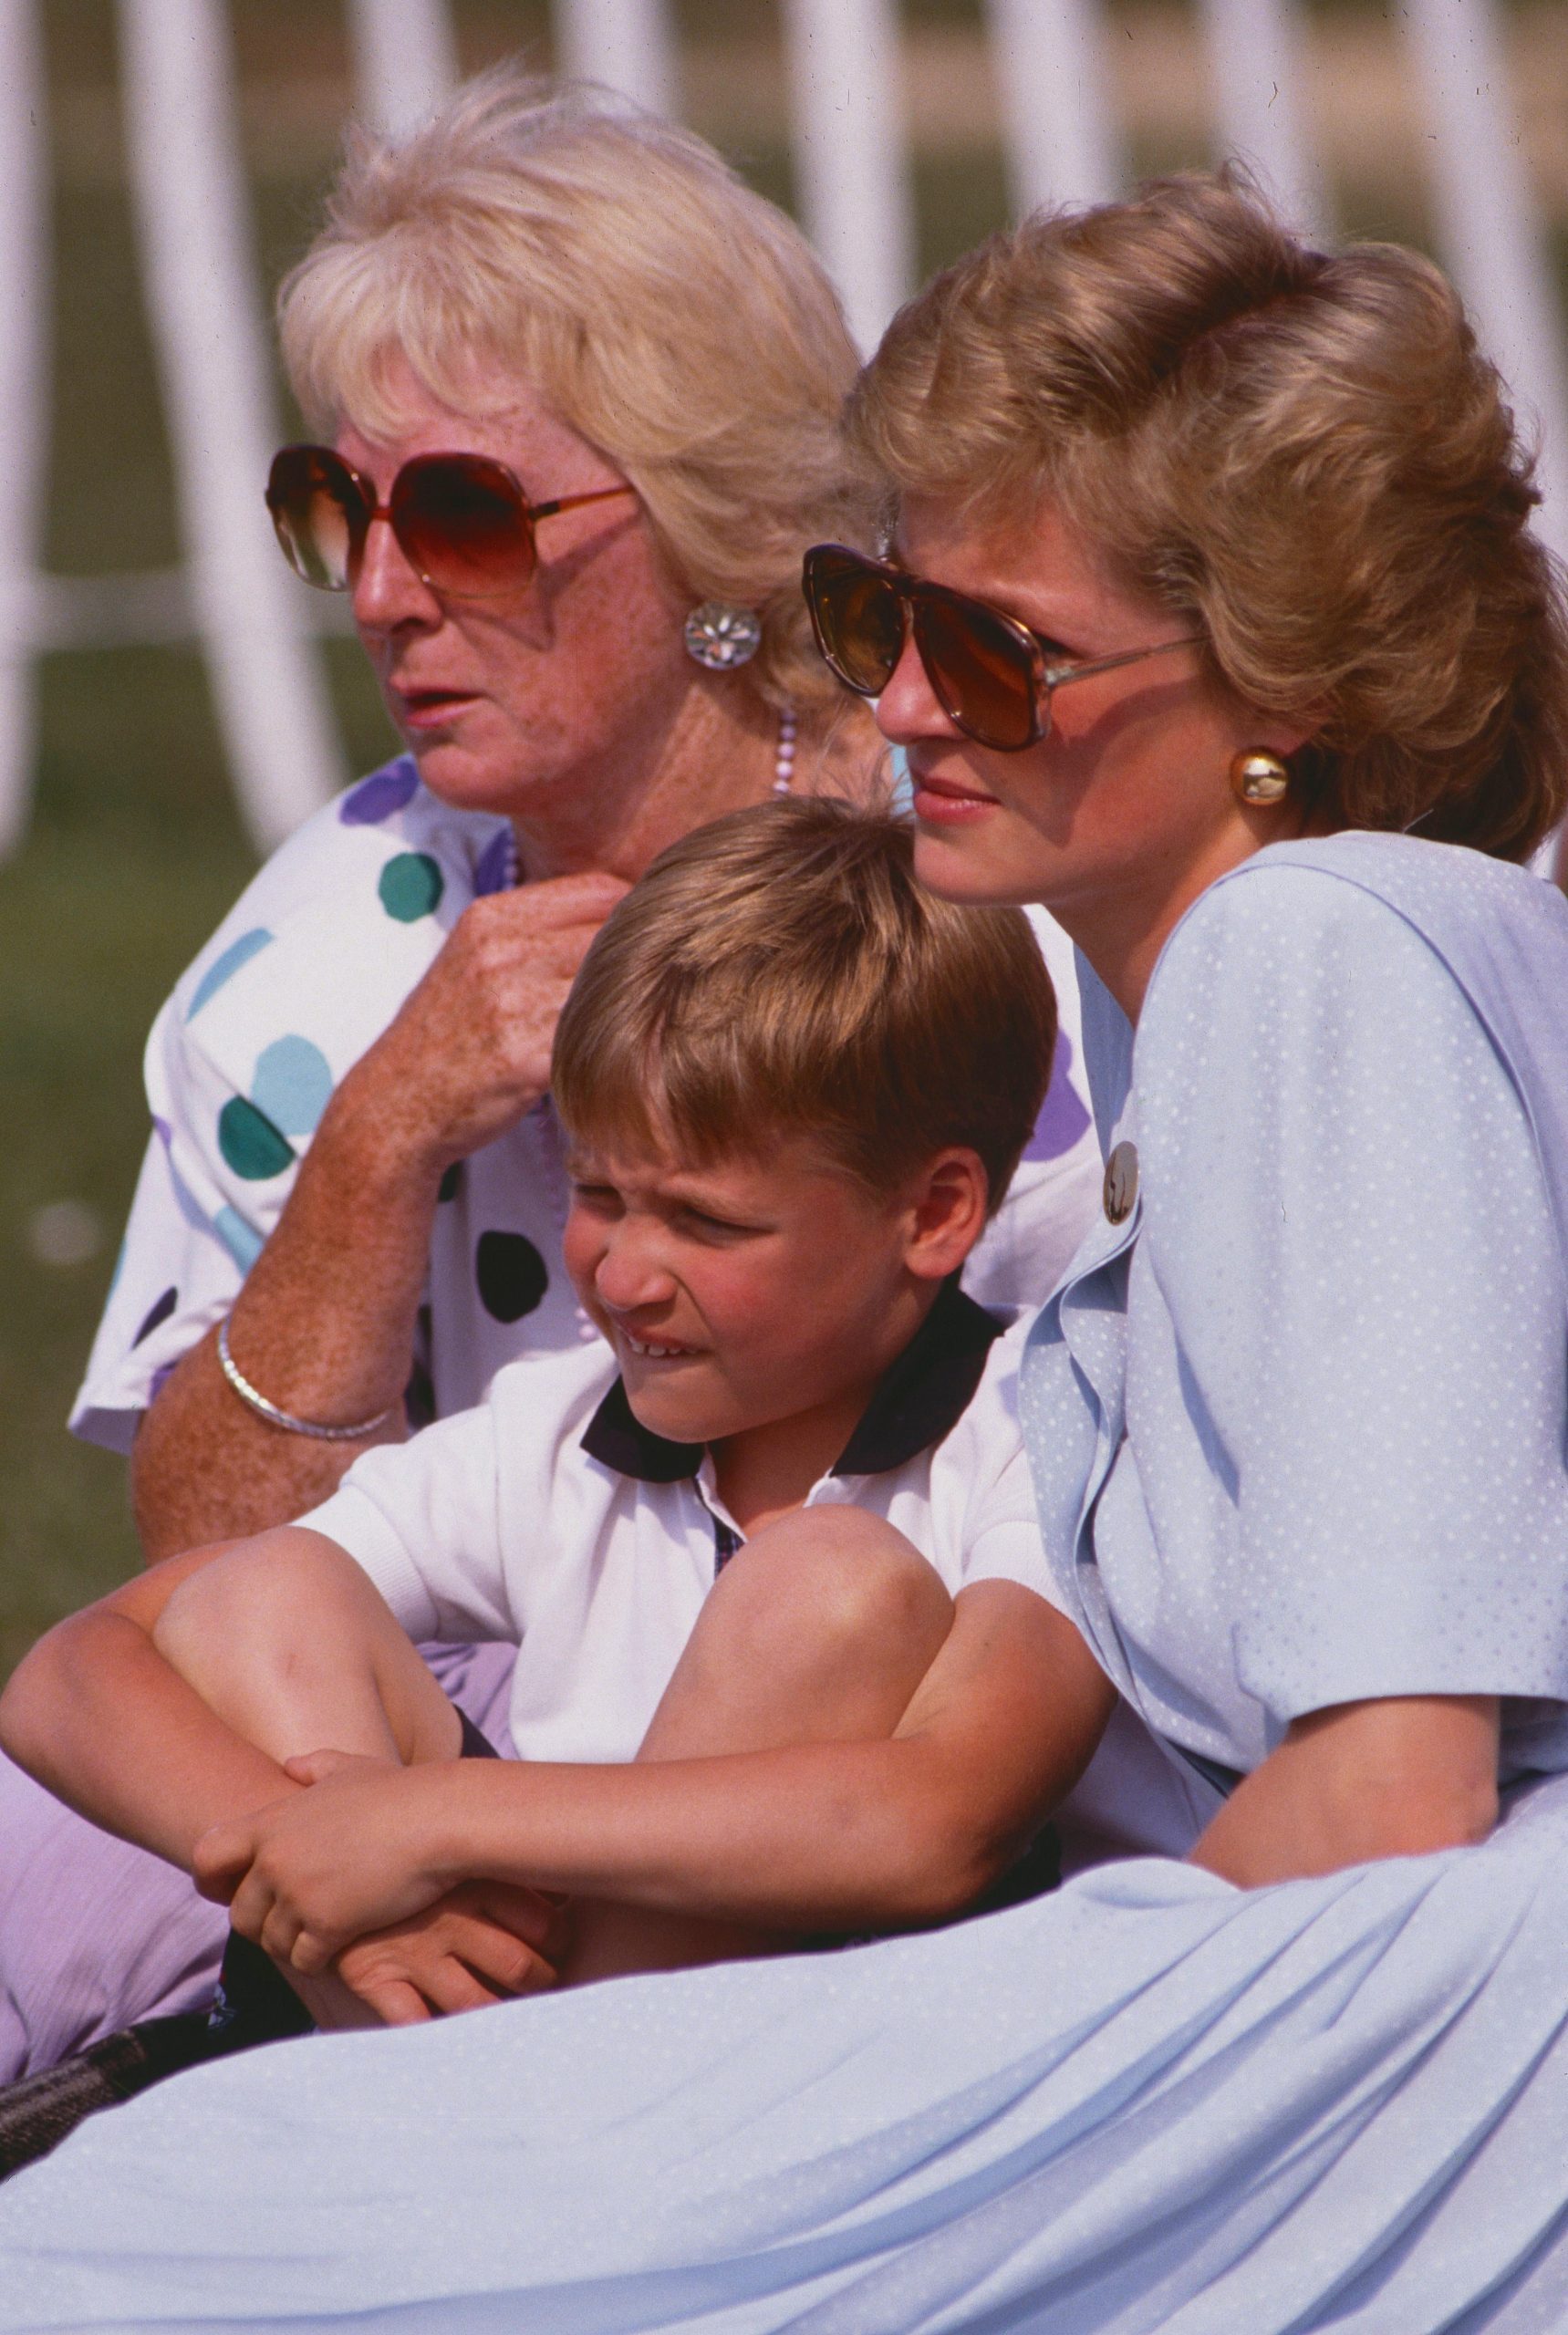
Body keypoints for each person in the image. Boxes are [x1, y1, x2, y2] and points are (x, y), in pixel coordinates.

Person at [15, 166, 1566, 2332]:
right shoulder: (1236, 1006)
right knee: (203, 2208)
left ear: (1270, 690)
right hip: (1231, 1980)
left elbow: (1392, 1797)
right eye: (885, 625)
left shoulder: (1318, 948)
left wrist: (952, 2051)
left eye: (988, 654)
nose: (906, 708)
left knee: (184, 2231)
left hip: (1351, 2036)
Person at [0, 71, 1102, 2083]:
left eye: (461, 514)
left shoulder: (967, 904)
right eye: (341, 509)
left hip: (915, 1729)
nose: (377, 590)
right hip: (440, 1694)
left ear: (702, 528)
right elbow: (195, 1572)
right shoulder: (329, 937)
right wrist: (382, 1131)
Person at [1, 800, 1131, 2062]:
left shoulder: (1033, 1426)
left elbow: (940, 1821)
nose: (627, 1274)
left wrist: (440, 1825)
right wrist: (328, 1874)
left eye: (705, 1223)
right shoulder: (556, 1427)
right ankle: (463, 2111)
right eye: (599, 1195)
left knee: (827, 1584)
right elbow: (72, 1671)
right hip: (455, 2022)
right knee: (263, 1592)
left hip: (806, 2065)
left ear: (931, 1215)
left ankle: (499, 2123)